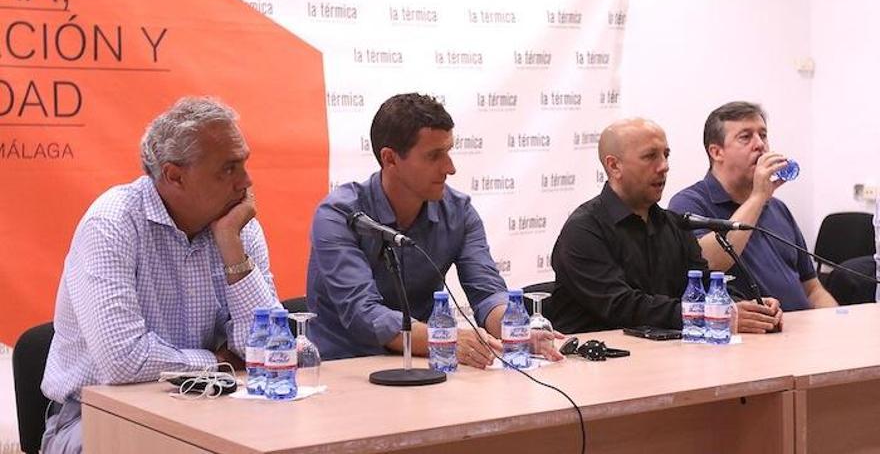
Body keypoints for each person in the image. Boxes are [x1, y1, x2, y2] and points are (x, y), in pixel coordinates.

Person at [40, 97, 279, 454]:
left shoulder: (238, 224)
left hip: (213, 407)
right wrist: (215, 362)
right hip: (98, 418)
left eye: (244, 163)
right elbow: (122, 362)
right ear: (174, 175)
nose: (246, 181)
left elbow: (271, 349)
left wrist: (230, 244)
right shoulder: (112, 224)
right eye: (228, 168)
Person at [307, 93, 562, 367]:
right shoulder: (339, 215)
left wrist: (516, 332)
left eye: (449, 151)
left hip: (426, 366)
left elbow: (487, 293)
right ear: (390, 159)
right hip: (345, 369)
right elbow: (364, 313)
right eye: (434, 156)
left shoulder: (459, 212)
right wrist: (444, 338)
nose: (450, 168)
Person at [546, 118, 782, 334]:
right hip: (597, 365)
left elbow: (706, 281)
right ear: (614, 166)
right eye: (650, 156)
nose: (664, 166)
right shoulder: (584, 230)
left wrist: (745, 306)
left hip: (669, 357)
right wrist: (711, 315)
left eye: (666, 155)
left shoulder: (674, 224)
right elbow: (622, 307)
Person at [669, 101, 836, 314]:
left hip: (800, 330)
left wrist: (835, 320)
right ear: (716, 152)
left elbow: (812, 288)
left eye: (763, 135)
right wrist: (758, 197)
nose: (760, 145)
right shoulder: (690, 203)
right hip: (749, 336)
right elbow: (709, 262)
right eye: (746, 137)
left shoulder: (778, 208)